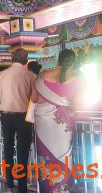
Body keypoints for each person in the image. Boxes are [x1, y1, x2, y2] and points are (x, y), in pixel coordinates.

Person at [30, 49, 83, 193]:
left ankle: (47, 189)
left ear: (58, 60)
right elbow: (77, 106)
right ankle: (63, 189)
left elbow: (34, 99)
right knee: (65, 155)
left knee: (45, 156)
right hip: (63, 125)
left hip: (42, 124)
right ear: (72, 62)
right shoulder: (77, 79)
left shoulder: (41, 77)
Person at [0, 48, 36, 193]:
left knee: (8, 149)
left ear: (12, 58)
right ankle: (22, 189)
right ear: (26, 60)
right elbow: (34, 98)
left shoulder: (0, 75)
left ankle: (9, 186)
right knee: (23, 153)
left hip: (6, 116)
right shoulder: (31, 75)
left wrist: (0, 101)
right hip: (24, 117)